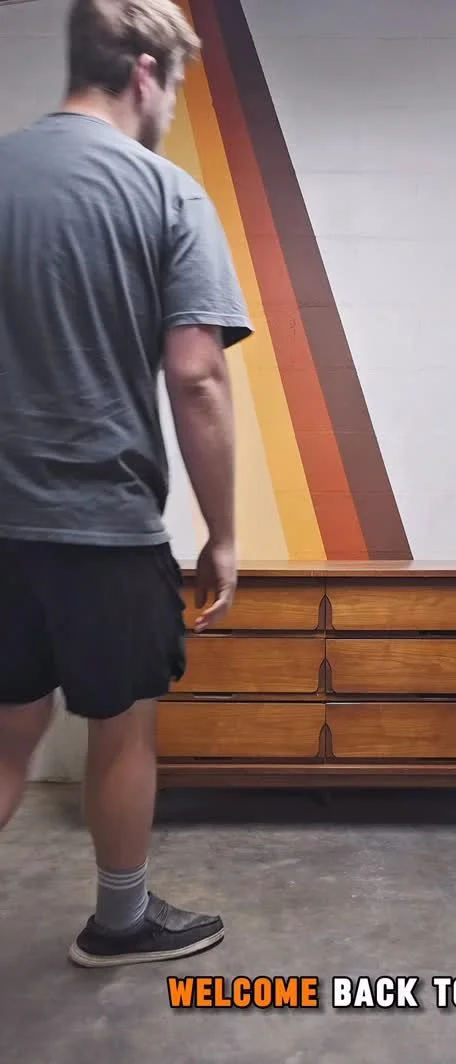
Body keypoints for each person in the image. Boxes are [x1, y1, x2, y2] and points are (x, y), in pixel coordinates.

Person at [0, 0, 253, 967]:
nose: (172, 110)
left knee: (8, 731)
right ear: (145, 72)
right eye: (176, 87)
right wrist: (222, 532)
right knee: (122, 725)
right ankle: (119, 922)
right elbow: (196, 375)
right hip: (104, 523)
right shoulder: (167, 194)